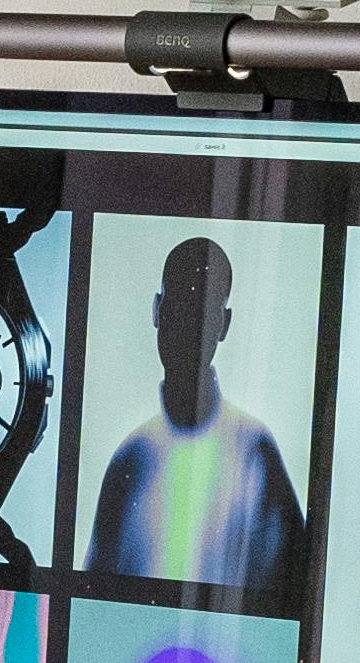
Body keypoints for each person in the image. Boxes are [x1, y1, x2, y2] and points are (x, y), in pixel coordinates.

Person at [84, 236, 307, 607]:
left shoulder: (256, 452)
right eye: (179, 304)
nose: (188, 324)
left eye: (202, 308)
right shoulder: (129, 459)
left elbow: (296, 597)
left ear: (224, 323)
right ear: (157, 310)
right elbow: (90, 596)